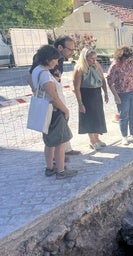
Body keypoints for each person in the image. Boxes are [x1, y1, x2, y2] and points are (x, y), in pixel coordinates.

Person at [30, 45, 77, 179]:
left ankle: (49, 168)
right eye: (55, 59)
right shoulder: (45, 74)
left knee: (49, 142)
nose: (57, 62)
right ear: (48, 59)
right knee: (60, 143)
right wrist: (66, 110)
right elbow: (53, 97)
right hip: (54, 112)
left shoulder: (37, 70)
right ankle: (61, 171)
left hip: (44, 111)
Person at [72, 48, 108, 150]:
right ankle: (92, 141)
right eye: (91, 58)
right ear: (84, 58)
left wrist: (105, 92)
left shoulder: (97, 66)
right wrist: (80, 103)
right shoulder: (79, 69)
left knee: (98, 116)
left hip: (96, 94)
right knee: (89, 118)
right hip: (86, 95)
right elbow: (77, 88)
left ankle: (97, 138)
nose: (94, 60)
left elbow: (103, 79)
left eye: (95, 58)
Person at [106, 46, 133, 146]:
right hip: (122, 94)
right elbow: (109, 82)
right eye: (127, 57)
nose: (129, 59)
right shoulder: (114, 66)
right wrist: (116, 96)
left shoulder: (130, 63)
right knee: (123, 116)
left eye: (130, 57)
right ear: (121, 56)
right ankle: (124, 136)